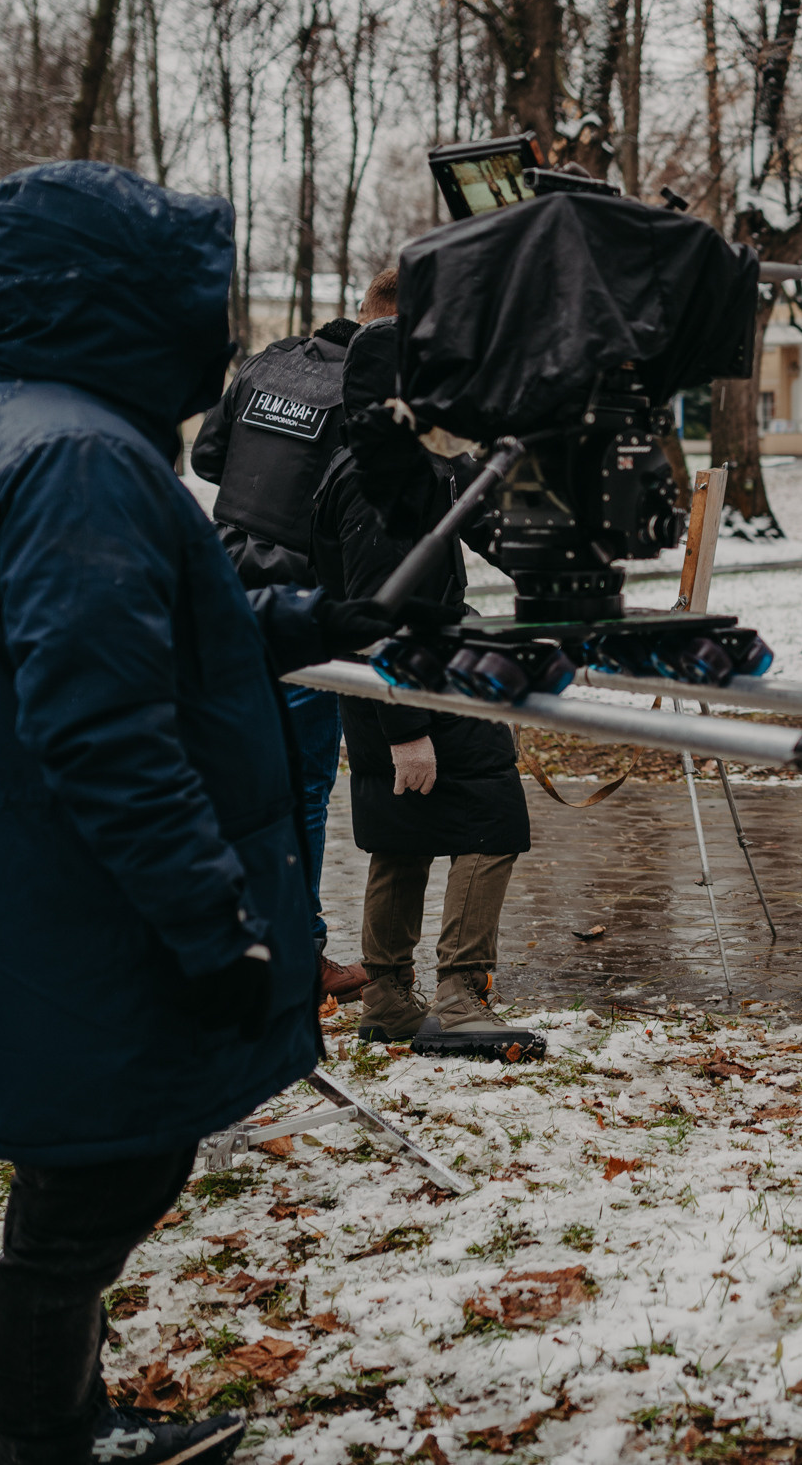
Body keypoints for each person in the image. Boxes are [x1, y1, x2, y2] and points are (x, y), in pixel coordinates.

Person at [0, 160, 392, 1465]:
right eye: (195, 297)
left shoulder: (26, 421)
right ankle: (53, 1439)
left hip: (57, 895)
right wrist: (212, 923)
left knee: (91, 1176)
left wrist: (327, 616)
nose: (216, 330)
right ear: (118, 300)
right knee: (92, 1190)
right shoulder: (75, 456)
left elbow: (158, 629)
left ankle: (66, 1424)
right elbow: (101, 726)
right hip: (94, 908)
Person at [310, 323, 538, 1058]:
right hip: (403, 684)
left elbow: (493, 531)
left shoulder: (399, 459)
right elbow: (378, 613)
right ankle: (461, 997)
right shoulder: (376, 480)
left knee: (403, 833)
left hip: (397, 680)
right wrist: (406, 729)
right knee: (493, 816)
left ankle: (386, 999)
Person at [190, 273, 394, 1006]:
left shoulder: (269, 362)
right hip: (302, 607)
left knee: (226, 772)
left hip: (223, 589)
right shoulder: (369, 393)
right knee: (300, 785)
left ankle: (229, 937)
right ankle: (296, 953)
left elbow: (207, 460)